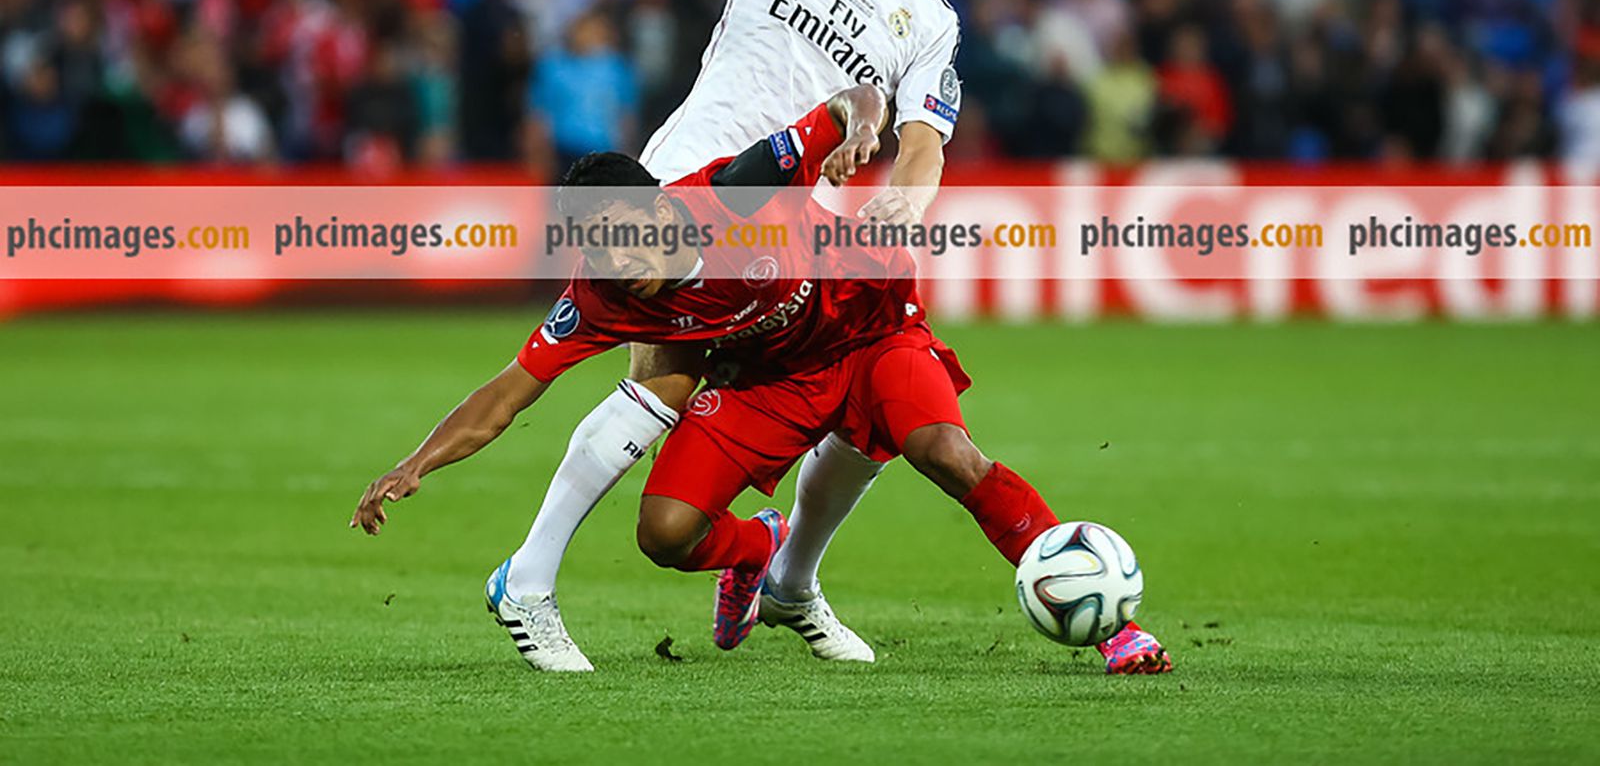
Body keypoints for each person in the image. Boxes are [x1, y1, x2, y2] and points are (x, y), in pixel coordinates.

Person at [351, 88, 1173, 677]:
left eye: (626, 240)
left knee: (946, 452)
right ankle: (762, 547)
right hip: (771, 380)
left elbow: (854, 101)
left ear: (662, 209)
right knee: (665, 533)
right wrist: (414, 462)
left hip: (869, 331)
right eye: (598, 249)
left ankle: (1114, 631)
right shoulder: (599, 294)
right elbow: (510, 389)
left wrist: (858, 130)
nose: (619, 265)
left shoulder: (731, 190)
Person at [456, 0, 971, 670]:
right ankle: (530, 580)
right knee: (661, 381)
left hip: (802, 237)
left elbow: (923, 143)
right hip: (693, 186)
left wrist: (907, 209)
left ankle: (780, 566)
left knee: (853, 396)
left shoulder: (931, 19)